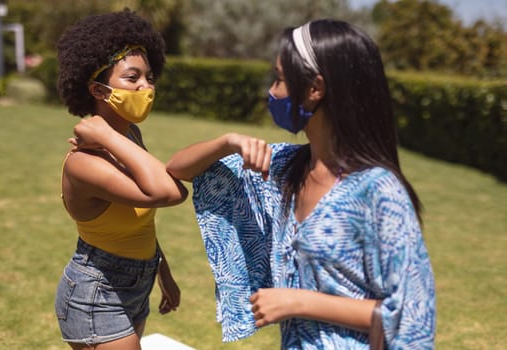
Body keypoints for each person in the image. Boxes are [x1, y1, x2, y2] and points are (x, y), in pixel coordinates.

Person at [166, 19, 436, 349]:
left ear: (315, 89)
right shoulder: (284, 168)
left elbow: (412, 314)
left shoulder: (378, 191)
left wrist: (298, 302)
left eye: (280, 80)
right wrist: (227, 142)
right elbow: (179, 168)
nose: (272, 92)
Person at [54, 9, 188, 350]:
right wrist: (107, 136)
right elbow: (168, 192)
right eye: (133, 78)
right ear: (98, 90)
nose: (147, 87)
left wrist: (163, 270)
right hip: (97, 293)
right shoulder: (85, 163)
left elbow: (138, 222)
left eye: (150, 76)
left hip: (135, 282)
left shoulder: (131, 137)